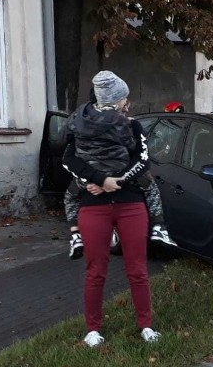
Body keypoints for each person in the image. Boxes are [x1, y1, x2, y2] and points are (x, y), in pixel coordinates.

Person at [62, 70, 162, 347]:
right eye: (124, 98)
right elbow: (68, 160)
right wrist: (99, 180)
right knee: (96, 270)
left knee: (138, 270)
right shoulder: (78, 126)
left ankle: (146, 325)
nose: (127, 103)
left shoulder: (133, 127)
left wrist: (112, 182)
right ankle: (92, 329)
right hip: (94, 208)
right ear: (117, 100)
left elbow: (142, 162)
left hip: (131, 204)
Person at [64, 90, 176, 260]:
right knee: (150, 186)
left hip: (89, 176)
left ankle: (75, 234)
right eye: (124, 100)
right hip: (118, 175)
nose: (126, 105)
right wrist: (109, 180)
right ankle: (159, 226)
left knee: (70, 197)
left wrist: (96, 180)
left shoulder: (79, 123)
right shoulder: (124, 124)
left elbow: (68, 158)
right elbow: (139, 157)